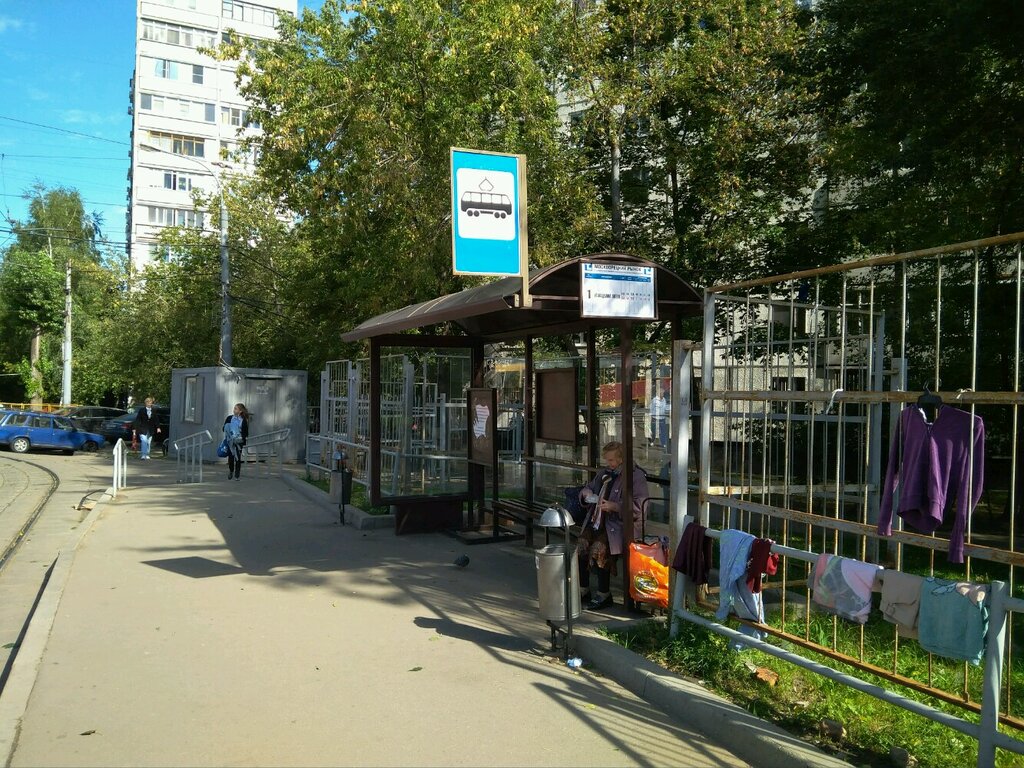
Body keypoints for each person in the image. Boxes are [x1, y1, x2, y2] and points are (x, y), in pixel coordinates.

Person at [577, 441, 649, 610]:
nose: (609, 464)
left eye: (611, 460)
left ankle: (604, 594)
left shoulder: (635, 476)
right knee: (581, 545)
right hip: (599, 521)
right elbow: (588, 487)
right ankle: (583, 589)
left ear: (622, 458)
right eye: (607, 460)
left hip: (619, 525)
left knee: (599, 548)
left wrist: (614, 506)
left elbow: (641, 507)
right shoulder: (604, 473)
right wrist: (586, 493)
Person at [223, 403, 250, 480]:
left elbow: (246, 433)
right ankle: (231, 470)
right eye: (234, 408)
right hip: (230, 440)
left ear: (240, 411)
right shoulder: (229, 418)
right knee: (231, 457)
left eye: (236, 409)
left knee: (238, 458)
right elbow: (224, 428)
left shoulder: (243, 420)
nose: (234, 410)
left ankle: (237, 475)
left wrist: (240, 436)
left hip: (239, 441)